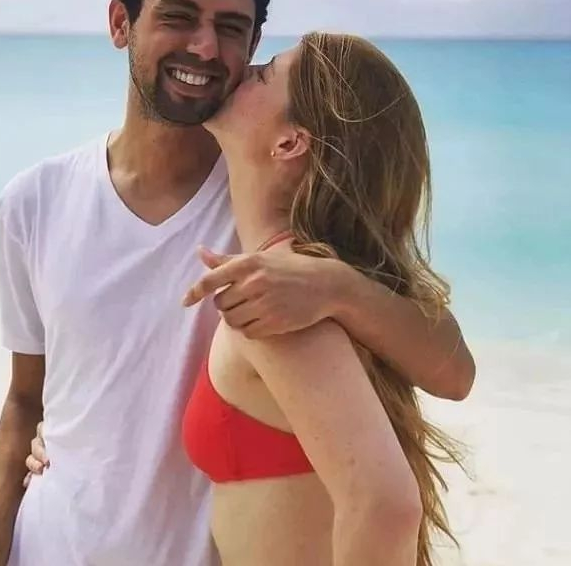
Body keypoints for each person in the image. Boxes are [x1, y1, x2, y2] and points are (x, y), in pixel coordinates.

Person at [0, 0, 474, 566]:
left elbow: (451, 369)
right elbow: (25, 400)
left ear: (252, 45)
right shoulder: (32, 203)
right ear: (121, 22)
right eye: (179, 17)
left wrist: (337, 287)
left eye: (232, 29)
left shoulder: (277, 214)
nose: (206, 48)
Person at [181, 32, 462, 565]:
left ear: (291, 143)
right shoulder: (306, 283)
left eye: (265, 72)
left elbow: (387, 506)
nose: (246, 70)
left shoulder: (277, 298)